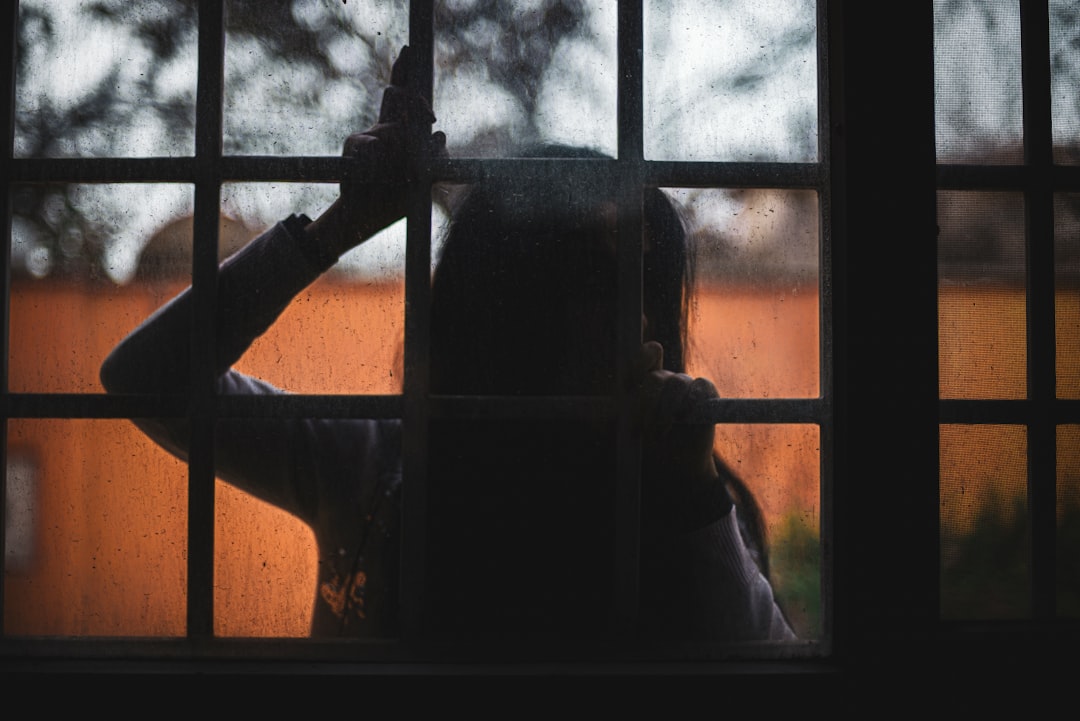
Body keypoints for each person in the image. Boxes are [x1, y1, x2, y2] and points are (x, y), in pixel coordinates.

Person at [100, 46, 795, 643]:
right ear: (500, 323)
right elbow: (145, 376)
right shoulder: (380, 460)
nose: (622, 338)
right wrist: (333, 229)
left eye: (630, 300)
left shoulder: (673, 498)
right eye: (576, 299)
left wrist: (694, 493)